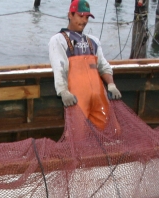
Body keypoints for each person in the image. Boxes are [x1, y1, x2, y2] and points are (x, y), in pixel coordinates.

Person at [48, 0, 121, 131]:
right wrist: (63, 91)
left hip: (99, 96)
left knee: (112, 131)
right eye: (80, 16)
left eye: (87, 17)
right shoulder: (58, 40)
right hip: (77, 98)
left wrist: (111, 84)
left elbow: (103, 66)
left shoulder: (93, 41)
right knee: (78, 134)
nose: (84, 20)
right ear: (70, 14)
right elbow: (59, 69)